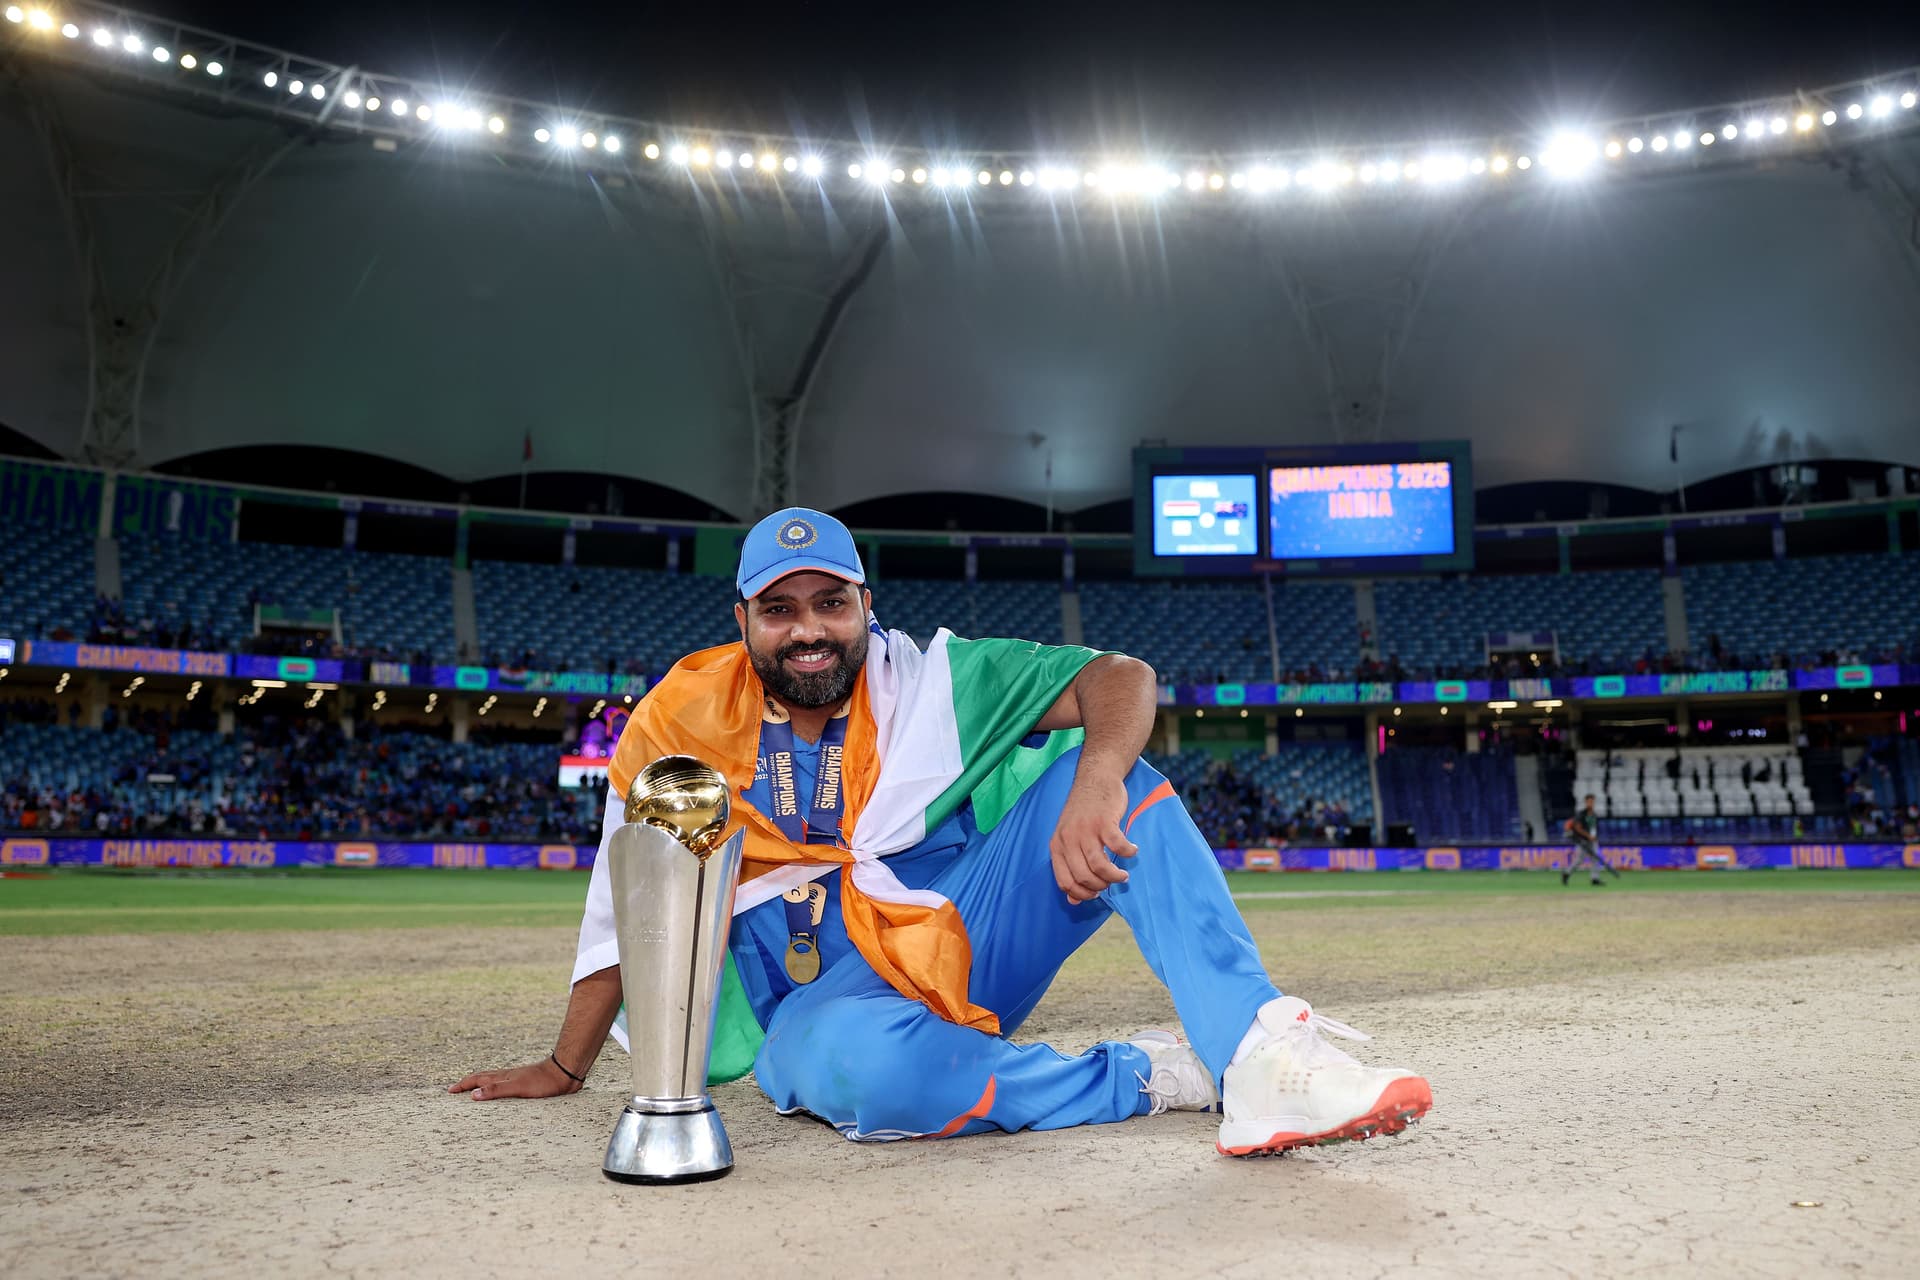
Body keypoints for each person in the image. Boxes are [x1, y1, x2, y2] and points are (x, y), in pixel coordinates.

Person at [451, 508, 1431, 1156]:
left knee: (1124, 779)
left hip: (962, 938)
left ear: (865, 605)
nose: (810, 628)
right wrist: (567, 1063)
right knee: (868, 1076)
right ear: (741, 616)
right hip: (815, 1011)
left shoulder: (930, 679)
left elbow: (1119, 676)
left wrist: (1091, 775)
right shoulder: (680, 722)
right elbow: (635, 906)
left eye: (832, 602)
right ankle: (1155, 1072)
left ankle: (1261, 1056)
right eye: (781, 607)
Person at [1563, 794, 1608, 886]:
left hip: (1592, 841)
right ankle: (1566, 873)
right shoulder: (1581, 814)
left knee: (1595, 858)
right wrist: (1588, 836)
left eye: (1592, 802)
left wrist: (1594, 837)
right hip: (1582, 841)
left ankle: (1595, 879)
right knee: (1579, 860)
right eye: (1589, 802)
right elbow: (1578, 828)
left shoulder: (1594, 815)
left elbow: (1593, 828)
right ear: (1586, 802)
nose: (1591, 803)